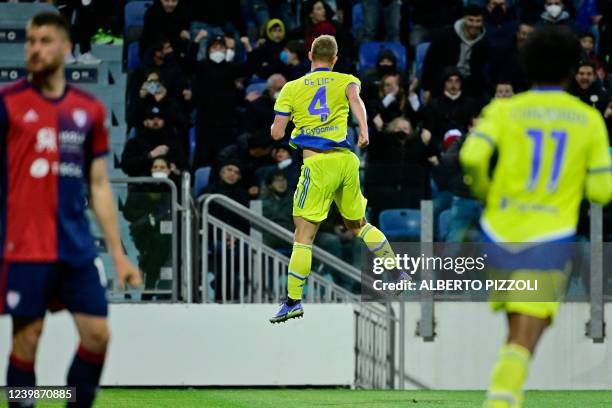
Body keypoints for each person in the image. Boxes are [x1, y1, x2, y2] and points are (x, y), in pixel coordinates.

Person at [459, 25, 612, 407]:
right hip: (550, 235)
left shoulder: (504, 109)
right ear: (571, 67)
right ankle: (501, 396)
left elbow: (471, 157)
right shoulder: (588, 119)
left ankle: (505, 393)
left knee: (517, 329)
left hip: (498, 231)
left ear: (528, 65)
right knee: (529, 332)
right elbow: (601, 191)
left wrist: (485, 191)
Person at [0, 13, 141, 408]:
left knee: (98, 335)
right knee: (27, 340)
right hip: (25, 247)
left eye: (44, 40)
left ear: (65, 48)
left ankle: (72, 401)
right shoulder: (8, 104)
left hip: (75, 247)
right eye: (29, 41)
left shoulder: (88, 110)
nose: (34, 48)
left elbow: (98, 185)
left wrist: (117, 253)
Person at [269, 35, 408, 323]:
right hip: (346, 161)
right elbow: (357, 101)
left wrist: (285, 122)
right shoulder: (346, 79)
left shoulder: (291, 88)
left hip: (317, 164)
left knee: (303, 237)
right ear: (335, 58)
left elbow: (276, 134)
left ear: (309, 55)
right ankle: (398, 272)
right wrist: (364, 130)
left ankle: (293, 300)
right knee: (359, 226)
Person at [421, 5, 489, 101]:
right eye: (471, 20)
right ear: (464, 19)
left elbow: (482, 72)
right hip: (443, 83)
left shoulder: (484, 43)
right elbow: (431, 62)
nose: (474, 24)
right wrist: (427, 88)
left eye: (478, 21)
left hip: (470, 87)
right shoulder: (444, 35)